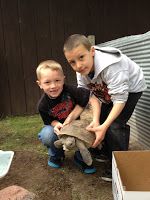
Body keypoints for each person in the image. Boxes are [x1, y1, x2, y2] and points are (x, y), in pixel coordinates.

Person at [63, 34, 147, 181]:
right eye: (72, 62)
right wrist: (96, 120)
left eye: (81, 57)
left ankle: (120, 166)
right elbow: (91, 93)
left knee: (114, 125)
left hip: (131, 89)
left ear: (92, 51)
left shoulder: (112, 66)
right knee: (101, 120)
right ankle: (107, 152)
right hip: (107, 89)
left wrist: (105, 126)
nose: (78, 65)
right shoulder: (81, 72)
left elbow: (120, 99)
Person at [36, 59, 97, 174]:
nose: (53, 86)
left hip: (75, 126)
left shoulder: (71, 90)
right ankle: (57, 155)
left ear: (63, 79)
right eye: (47, 82)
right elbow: (49, 121)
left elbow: (83, 101)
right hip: (59, 128)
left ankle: (80, 157)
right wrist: (56, 125)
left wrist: (71, 117)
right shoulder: (42, 105)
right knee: (47, 134)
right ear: (40, 84)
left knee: (86, 133)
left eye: (57, 80)